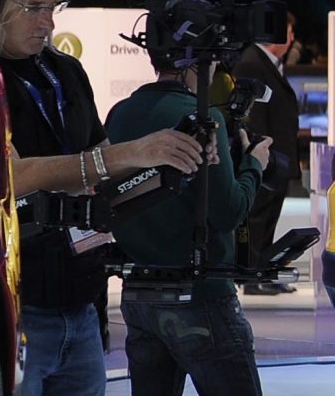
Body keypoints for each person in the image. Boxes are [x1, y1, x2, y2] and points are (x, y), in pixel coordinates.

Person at [0, 0, 202, 396]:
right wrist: (129, 153)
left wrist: (170, 154)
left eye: (54, 7)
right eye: (35, 8)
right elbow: (14, 177)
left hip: (80, 306)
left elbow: (101, 171)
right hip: (11, 307)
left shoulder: (65, 72)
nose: (48, 22)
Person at [106, 36, 271, 396]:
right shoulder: (204, 119)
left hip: (139, 296)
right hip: (201, 296)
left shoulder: (120, 113)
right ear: (199, 61)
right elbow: (229, 210)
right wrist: (255, 165)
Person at [231, 15, 300, 291]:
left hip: (276, 157)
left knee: (267, 215)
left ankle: (260, 272)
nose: (293, 38)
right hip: (265, 157)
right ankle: (251, 276)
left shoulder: (265, 63)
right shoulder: (252, 63)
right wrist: (260, 154)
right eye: (291, 31)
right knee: (257, 215)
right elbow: (254, 117)